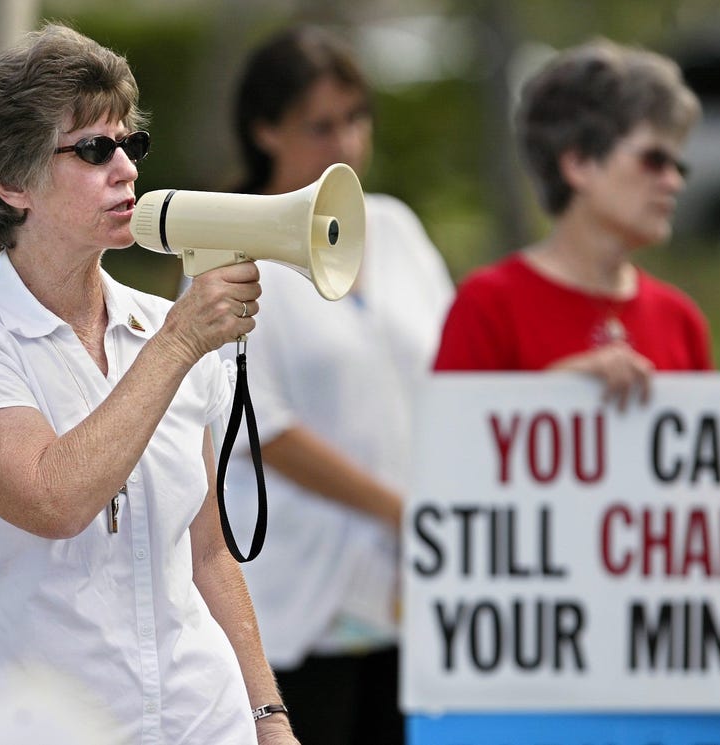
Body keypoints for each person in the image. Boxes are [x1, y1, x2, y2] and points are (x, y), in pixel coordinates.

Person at [0, 23, 298, 745]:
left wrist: (268, 715)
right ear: (10, 184)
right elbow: (55, 500)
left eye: (130, 144)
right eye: (94, 149)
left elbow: (208, 551)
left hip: (199, 721)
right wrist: (181, 342)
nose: (126, 168)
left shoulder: (159, 324)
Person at [433, 37, 720, 742]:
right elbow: (446, 491)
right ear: (579, 162)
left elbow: (706, 521)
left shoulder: (679, 317)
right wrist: (550, 401)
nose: (675, 180)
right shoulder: (489, 303)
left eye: (679, 162)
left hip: (667, 672)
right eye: (654, 157)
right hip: (530, 684)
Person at [218, 24, 455, 745]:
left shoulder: (398, 228)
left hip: (407, 592)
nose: (346, 143)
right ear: (265, 131)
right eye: (320, 125)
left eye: (356, 120)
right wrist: (398, 508)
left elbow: (455, 365)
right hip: (300, 602)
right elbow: (265, 427)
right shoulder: (231, 247)